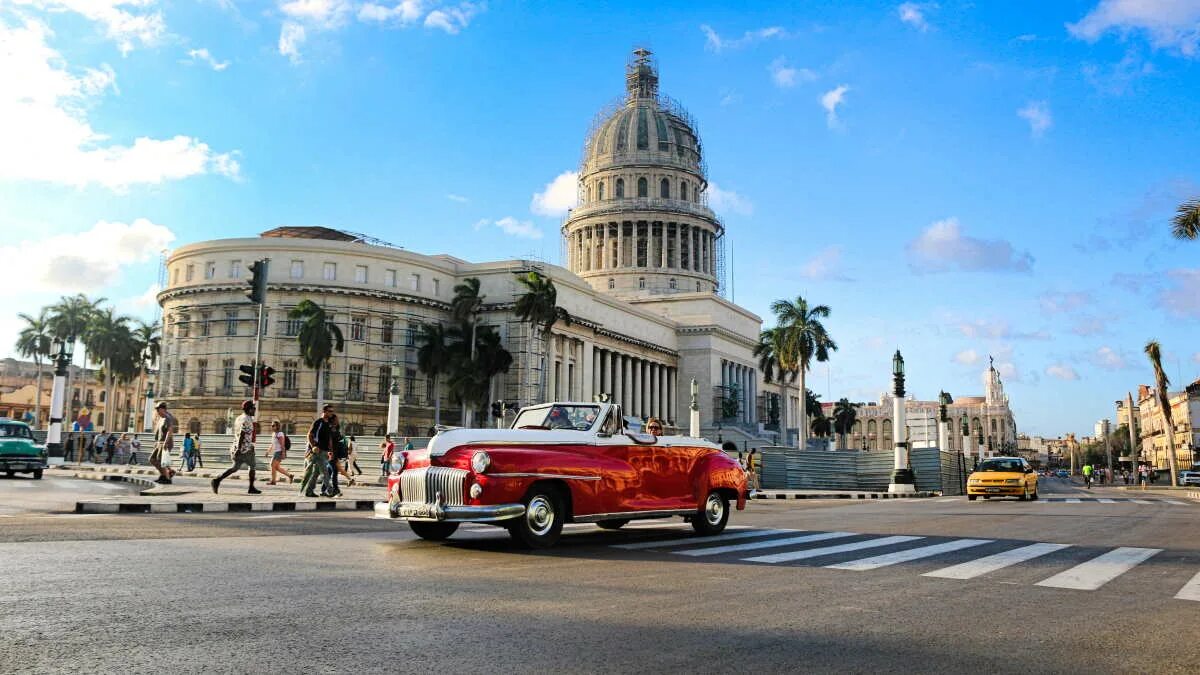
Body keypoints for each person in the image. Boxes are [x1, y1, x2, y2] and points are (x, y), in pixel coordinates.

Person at [211, 400, 261, 495]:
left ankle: (217, 480)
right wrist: (240, 448)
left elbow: (241, 434)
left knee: (234, 468)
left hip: (239, 447)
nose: (255, 410)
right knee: (252, 466)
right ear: (249, 409)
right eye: (253, 408)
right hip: (244, 449)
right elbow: (242, 434)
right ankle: (251, 487)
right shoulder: (247, 419)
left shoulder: (239, 418)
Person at [300, 405, 335, 498]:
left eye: (332, 411)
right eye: (330, 411)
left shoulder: (329, 424)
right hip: (318, 451)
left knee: (316, 473)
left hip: (324, 451)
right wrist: (314, 446)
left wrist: (331, 451)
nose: (331, 413)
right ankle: (331, 490)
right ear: (324, 411)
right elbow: (309, 434)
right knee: (324, 471)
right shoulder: (318, 422)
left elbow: (329, 439)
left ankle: (309, 491)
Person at [150, 402, 177, 484]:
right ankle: (166, 474)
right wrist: (156, 441)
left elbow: (170, 430)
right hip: (159, 442)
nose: (157, 412)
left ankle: (166, 478)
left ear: (162, 409)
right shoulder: (161, 418)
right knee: (152, 459)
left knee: (159, 460)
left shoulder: (167, 417)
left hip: (166, 442)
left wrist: (165, 442)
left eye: (158, 410)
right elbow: (159, 432)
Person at [266, 420, 295, 485]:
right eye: (271, 425)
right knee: (277, 467)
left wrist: (283, 453)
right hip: (276, 452)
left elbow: (282, 444)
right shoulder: (274, 434)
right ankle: (290, 476)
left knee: (272, 465)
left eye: (273, 426)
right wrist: (268, 451)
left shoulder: (280, 434)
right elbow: (272, 444)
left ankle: (273, 481)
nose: (272, 427)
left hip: (279, 452)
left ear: (277, 426)